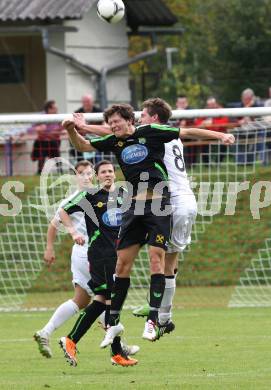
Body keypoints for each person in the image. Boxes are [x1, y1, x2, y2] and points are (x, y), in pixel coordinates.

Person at [62, 99, 235, 346]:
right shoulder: (115, 139)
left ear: (131, 121)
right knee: (121, 265)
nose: (112, 126)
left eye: (116, 122)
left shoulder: (151, 132)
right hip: (134, 208)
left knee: (158, 258)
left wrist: (219, 135)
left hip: (160, 204)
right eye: (110, 123)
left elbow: (186, 131)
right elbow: (85, 145)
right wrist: (72, 129)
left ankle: (154, 319)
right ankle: (113, 323)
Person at [58, 160, 138, 367]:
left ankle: (109, 350)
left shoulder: (122, 195)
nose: (108, 174)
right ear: (97, 175)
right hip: (99, 255)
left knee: (104, 300)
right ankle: (112, 350)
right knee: (108, 299)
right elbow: (63, 211)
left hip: (117, 255)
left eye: (111, 171)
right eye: (103, 172)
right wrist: (73, 232)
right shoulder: (90, 195)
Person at [33, 160, 95, 358]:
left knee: (81, 300)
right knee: (105, 297)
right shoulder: (74, 199)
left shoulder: (100, 196)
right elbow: (53, 224)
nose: (85, 176)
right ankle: (118, 344)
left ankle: (46, 332)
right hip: (87, 253)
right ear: (76, 177)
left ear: (93, 175)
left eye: (88, 173)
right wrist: (49, 248)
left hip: (90, 254)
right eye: (81, 173)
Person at [30, 100, 64, 174]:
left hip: (54, 141)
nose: (57, 110)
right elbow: (30, 129)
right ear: (49, 109)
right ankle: (39, 171)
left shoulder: (58, 117)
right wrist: (38, 128)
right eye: (55, 108)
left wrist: (59, 129)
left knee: (56, 154)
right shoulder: (40, 117)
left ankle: (60, 171)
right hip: (42, 141)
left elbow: (63, 128)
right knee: (41, 153)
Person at [194, 97, 229, 164]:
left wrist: (213, 123)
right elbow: (198, 123)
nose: (211, 106)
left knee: (224, 143)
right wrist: (203, 124)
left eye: (212, 104)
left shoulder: (221, 111)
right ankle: (206, 164)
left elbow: (224, 122)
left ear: (216, 104)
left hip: (219, 134)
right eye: (209, 105)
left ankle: (218, 162)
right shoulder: (204, 112)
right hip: (207, 134)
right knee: (202, 143)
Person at [70, 94, 101, 162]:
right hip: (82, 136)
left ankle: (101, 162)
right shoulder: (77, 112)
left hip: (96, 136)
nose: (87, 103)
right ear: (82, 102)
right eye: (85, 101)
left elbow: (104, 125)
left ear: (92, 102)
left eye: (88, 101)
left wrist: (89, 129)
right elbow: (73, 127)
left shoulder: (99, 111)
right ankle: (81, 163)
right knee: (72, 144)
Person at [175, 95, 198, 167]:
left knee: (192, 142)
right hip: (176, 135)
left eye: (183, 103)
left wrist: (184, 120)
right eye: (180, 103)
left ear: (187, 103)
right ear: (177, 103)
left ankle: (190, 165)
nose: (182, 104)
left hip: (189, 136)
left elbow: (194, 121)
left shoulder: (190, 111)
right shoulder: (173, 112)